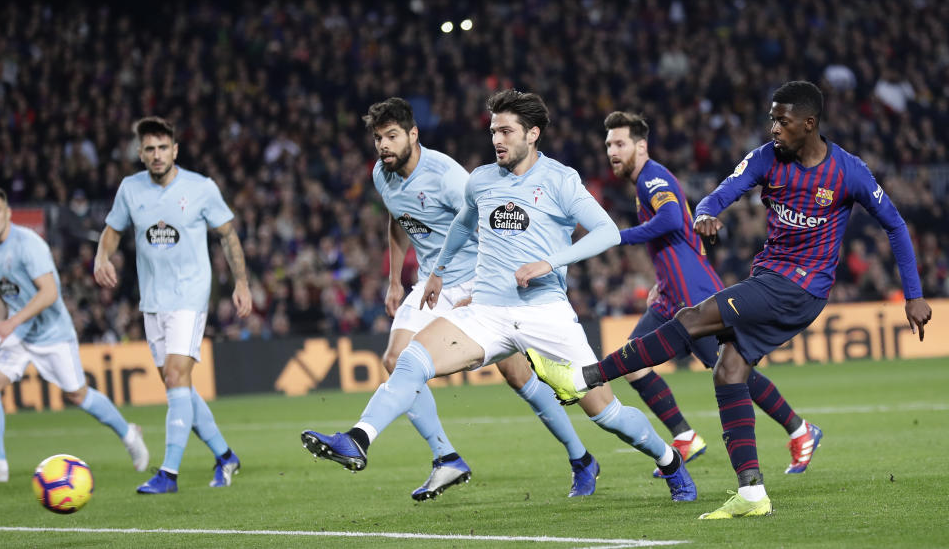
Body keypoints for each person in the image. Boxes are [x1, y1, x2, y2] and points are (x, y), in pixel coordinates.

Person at [528, 81, 932, 519]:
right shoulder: (765, 157)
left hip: (801, 286)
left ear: (809, 124)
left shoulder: (848, 171)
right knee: (728, 370)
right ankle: (753, 493)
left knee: (694, 317)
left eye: (782, 120)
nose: (773, 127)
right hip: (771, 276)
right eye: (771, 118)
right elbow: (721, 192)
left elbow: (894, 224)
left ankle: (585, 377)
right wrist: (705, 213)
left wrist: (913, 295)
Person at [301, 90, 696, 502]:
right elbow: (459, 226)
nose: (497, 140)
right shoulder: (482, 179)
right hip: (487, 312)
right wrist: (434, 273)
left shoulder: (560, 179)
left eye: (506, 131)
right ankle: (359, 438)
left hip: (545, 314)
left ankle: (669, 460)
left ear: (533, 134)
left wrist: (551, 262)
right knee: (410, 360)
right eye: (493, 131)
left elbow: (607, 232)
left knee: (607, 414)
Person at [361, 97, 598, 500]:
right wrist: (394, 280)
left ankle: (581, 458)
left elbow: (480, 222)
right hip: (433, 283)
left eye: (392, 136)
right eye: (378, 139)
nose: (383, 146)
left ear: (413, 134)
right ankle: (446, 458)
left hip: (476, 279)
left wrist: (482, 291)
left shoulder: (448, 176)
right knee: (395, 359)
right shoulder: (382, 176)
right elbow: (398, 218)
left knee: (519, 376)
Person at [602, 111, 820, 477]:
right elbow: (675, 237)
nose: (612, 150)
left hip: (693, 297)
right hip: (673, 294)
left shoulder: (651, 177)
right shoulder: (644, 181)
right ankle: (685, 436)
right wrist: (661, 278)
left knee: (732, 371)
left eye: (620, 143)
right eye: (608, 144)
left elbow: (672, 221)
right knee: (634, 365)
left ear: (641, 146)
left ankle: (800, 429)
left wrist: (618, 237)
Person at [94, 117, 253, 494]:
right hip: (153, 300)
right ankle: (225, 455)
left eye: (163, 147)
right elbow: (113, 231)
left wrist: (241, 282)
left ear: (175, 150)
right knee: (177, 384)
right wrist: (101, 258)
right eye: (149, 149)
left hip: (190, 295)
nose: (156, 155)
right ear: (140, 153)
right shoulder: (130, 189)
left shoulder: (201, 188)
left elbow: (228, 235)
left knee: (177, 377)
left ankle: (168, 473)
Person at [0, 187, 149, 483]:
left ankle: (129, 434)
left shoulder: (28, 244)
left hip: (51, 332)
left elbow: (50, 293)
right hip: (18, 332)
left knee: (77, 394)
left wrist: (10, 324)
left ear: (8, 212)